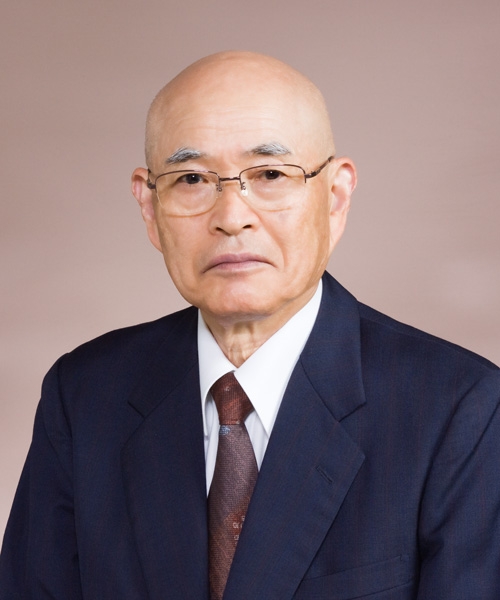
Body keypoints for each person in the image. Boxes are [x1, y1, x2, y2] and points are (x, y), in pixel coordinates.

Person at [1, 51, 499, 600]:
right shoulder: (84, 396)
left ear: (335, 197)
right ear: (149, 207)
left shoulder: (460, 410)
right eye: (192, 178)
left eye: (270, 174)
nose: (231, 217)